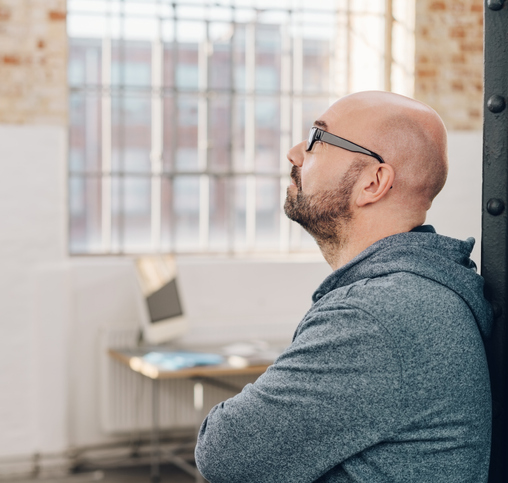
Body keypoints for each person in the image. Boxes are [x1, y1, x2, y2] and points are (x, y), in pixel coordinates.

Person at [194, 91, 492, 482]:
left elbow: (225, 454)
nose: (295, 153)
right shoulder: (417, 292)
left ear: (373, 182)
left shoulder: (378, 314)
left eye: (318, 139)